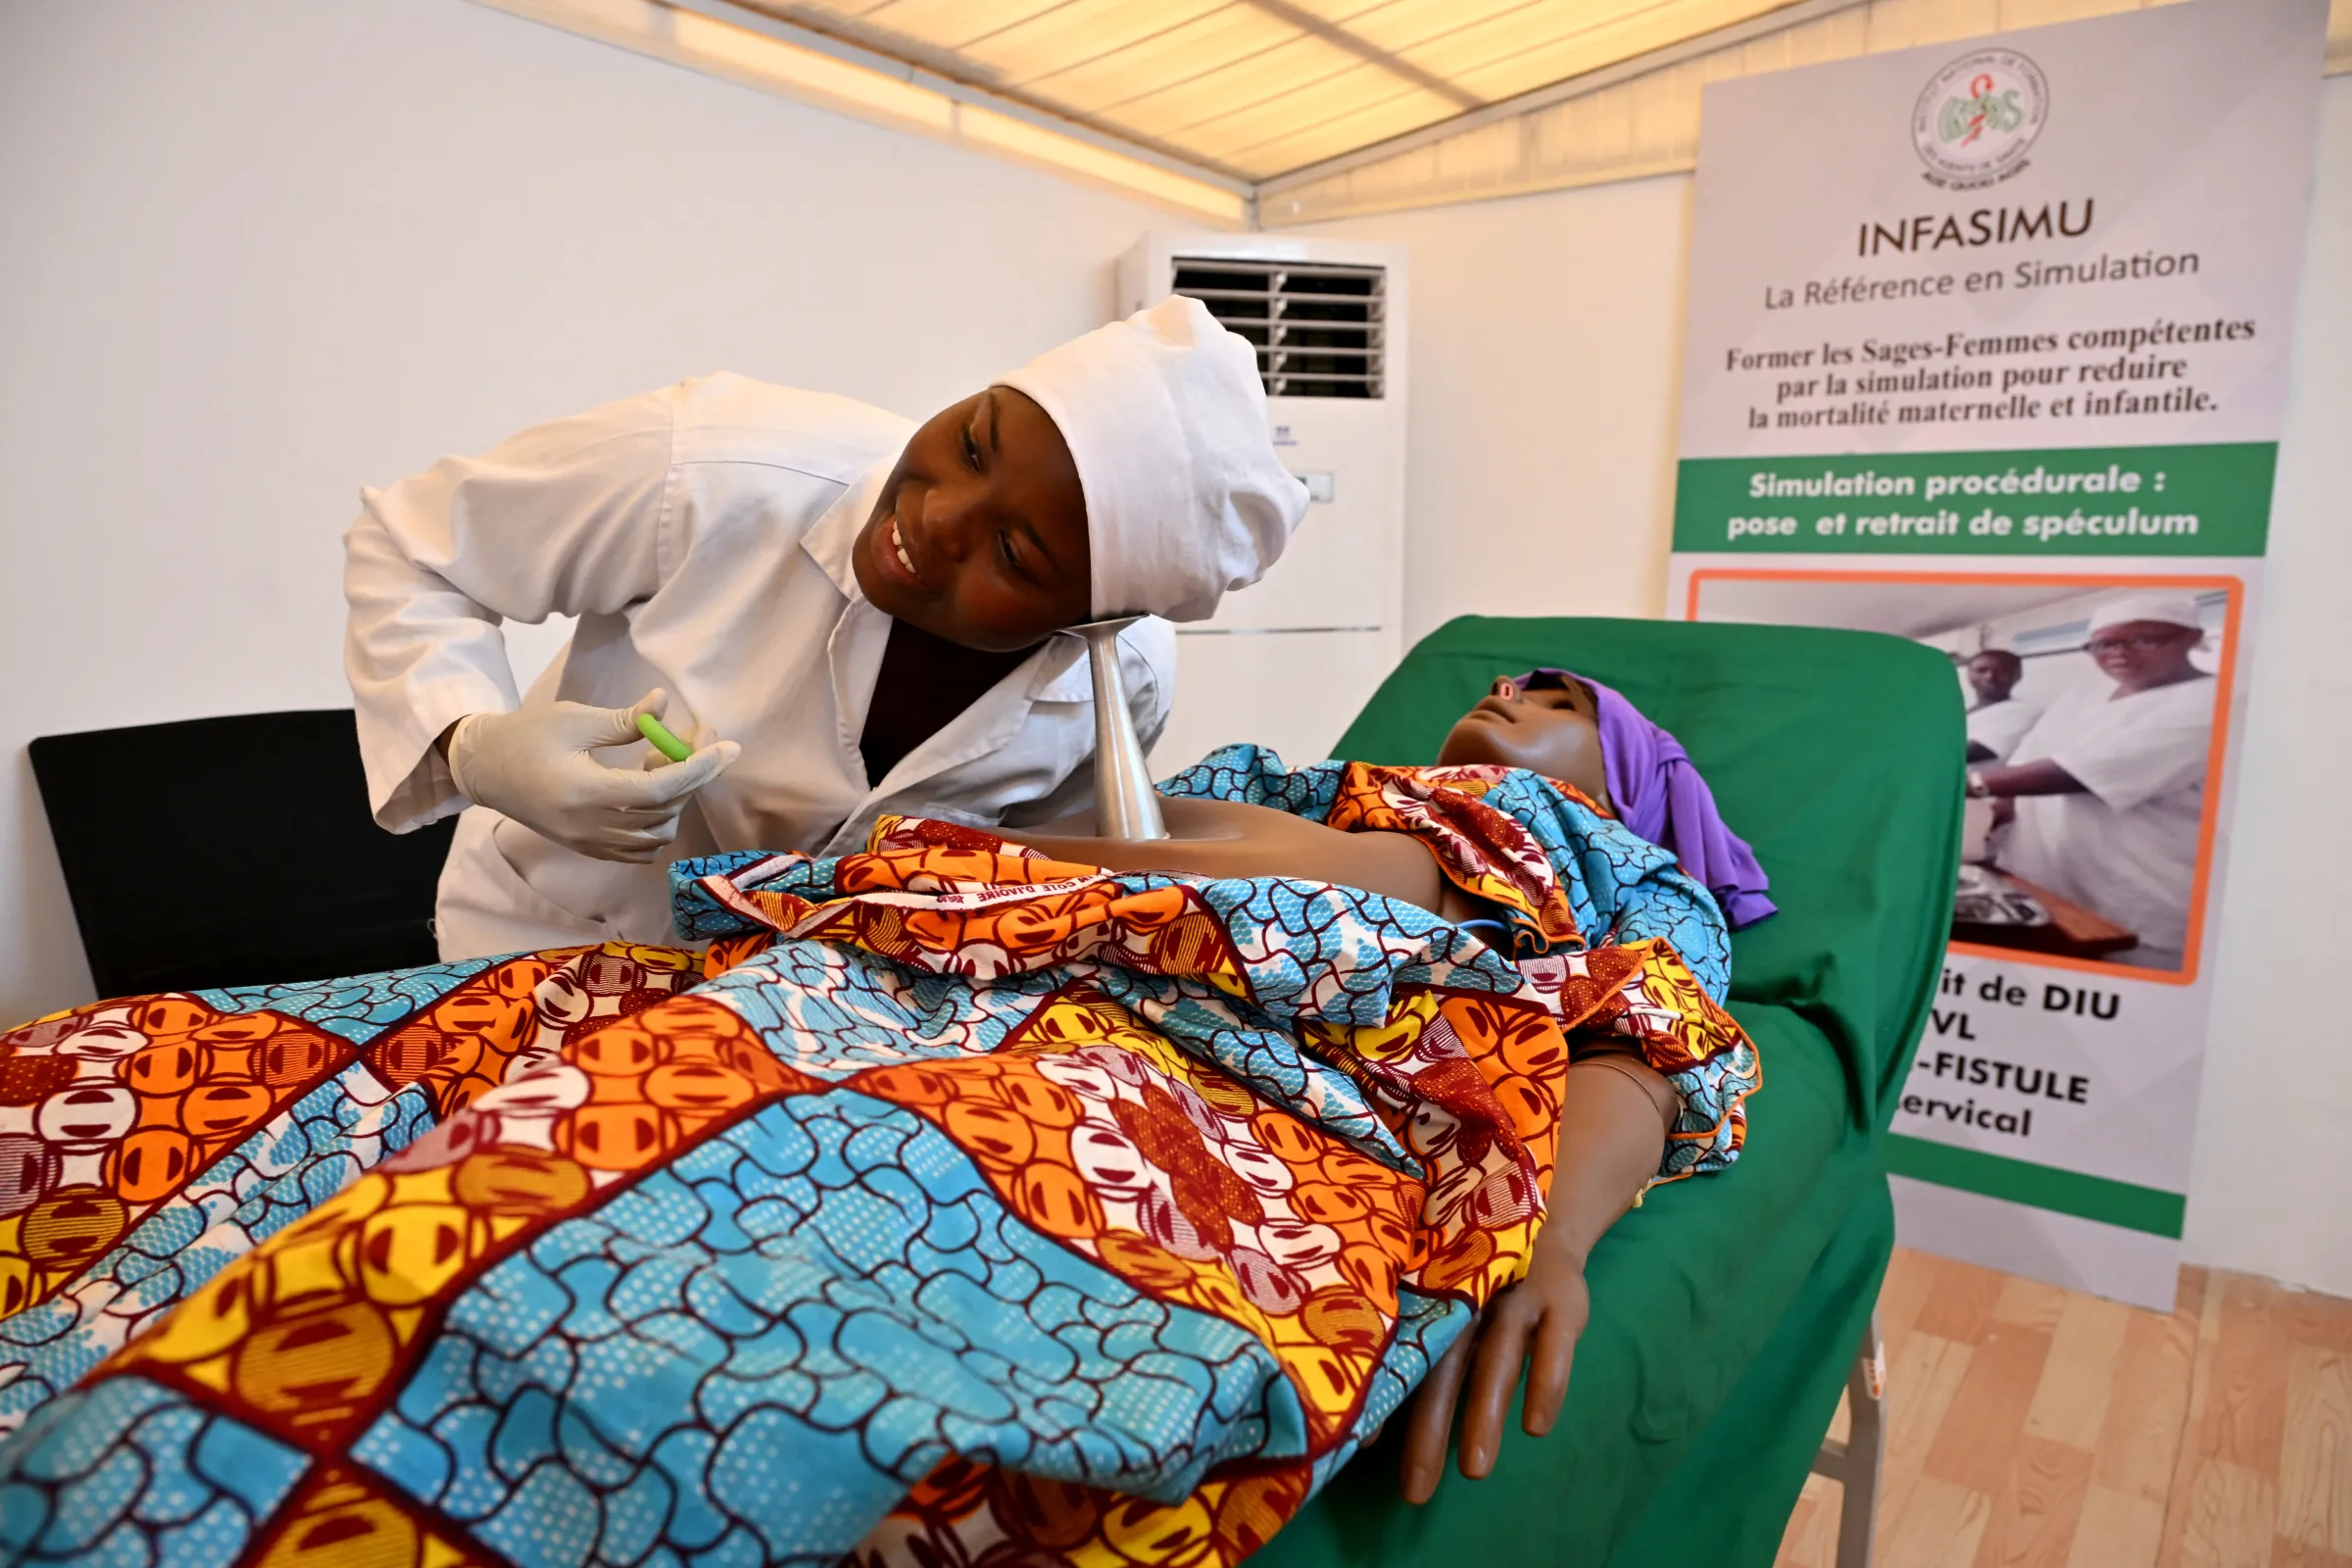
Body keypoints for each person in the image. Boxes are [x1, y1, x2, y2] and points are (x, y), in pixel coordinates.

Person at [344, 298, 1306, 959]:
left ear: (1093, 620)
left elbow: (1006, 878)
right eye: (973, 442)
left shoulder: (1124, 681)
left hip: (802, 1016)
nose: (937, 516)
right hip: (549, 937)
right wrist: (474, 743)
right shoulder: (718, 467)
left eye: (1015, 554)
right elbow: (414, 543)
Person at [1969, 593, 2217, 969]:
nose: (2119, 652)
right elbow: (2023, 770)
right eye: (2103, 643)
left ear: (2190, 637)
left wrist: (1958, 787)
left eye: (2144, 639)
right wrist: (1977, 832)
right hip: (2040, 883)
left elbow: (2077, 772)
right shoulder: (2082, 698)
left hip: (2137, 895)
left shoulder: (2213, 701)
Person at [1962, 647, 2040, 762]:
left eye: (2001, 671)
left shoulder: (2023, 712)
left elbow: (1975, 751)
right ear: (1969, 675)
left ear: (2017, 675)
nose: (1989, 676)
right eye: (1981, 670)